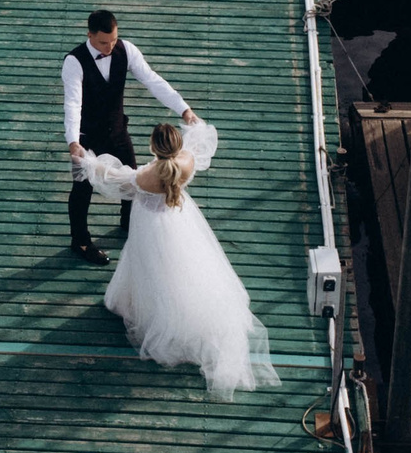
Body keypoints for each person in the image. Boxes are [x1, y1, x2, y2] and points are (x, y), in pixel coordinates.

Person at [78, 121, 279, 397]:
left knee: (151, 270)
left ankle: (151, 313)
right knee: (186, 270)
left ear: (153, 147)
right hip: (179, 222)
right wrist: (192, 120)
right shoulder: (186, 162)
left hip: (150, 229)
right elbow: (198, 144)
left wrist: (87, 161)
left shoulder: (144, 176)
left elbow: (111, 177)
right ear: (176, 146)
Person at [62, 9, 196, 264]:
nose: (110, 47)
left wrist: (184, 108)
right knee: (82, 189)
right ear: (89, 35)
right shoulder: (74, 62)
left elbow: (153, 81)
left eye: (113, 40)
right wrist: (73, 142)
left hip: (118, 130)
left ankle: (129, 223)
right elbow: (73, 103)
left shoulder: (126, 50)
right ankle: (79, 241)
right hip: (87, 136)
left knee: (136, 181)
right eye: (103, 42)